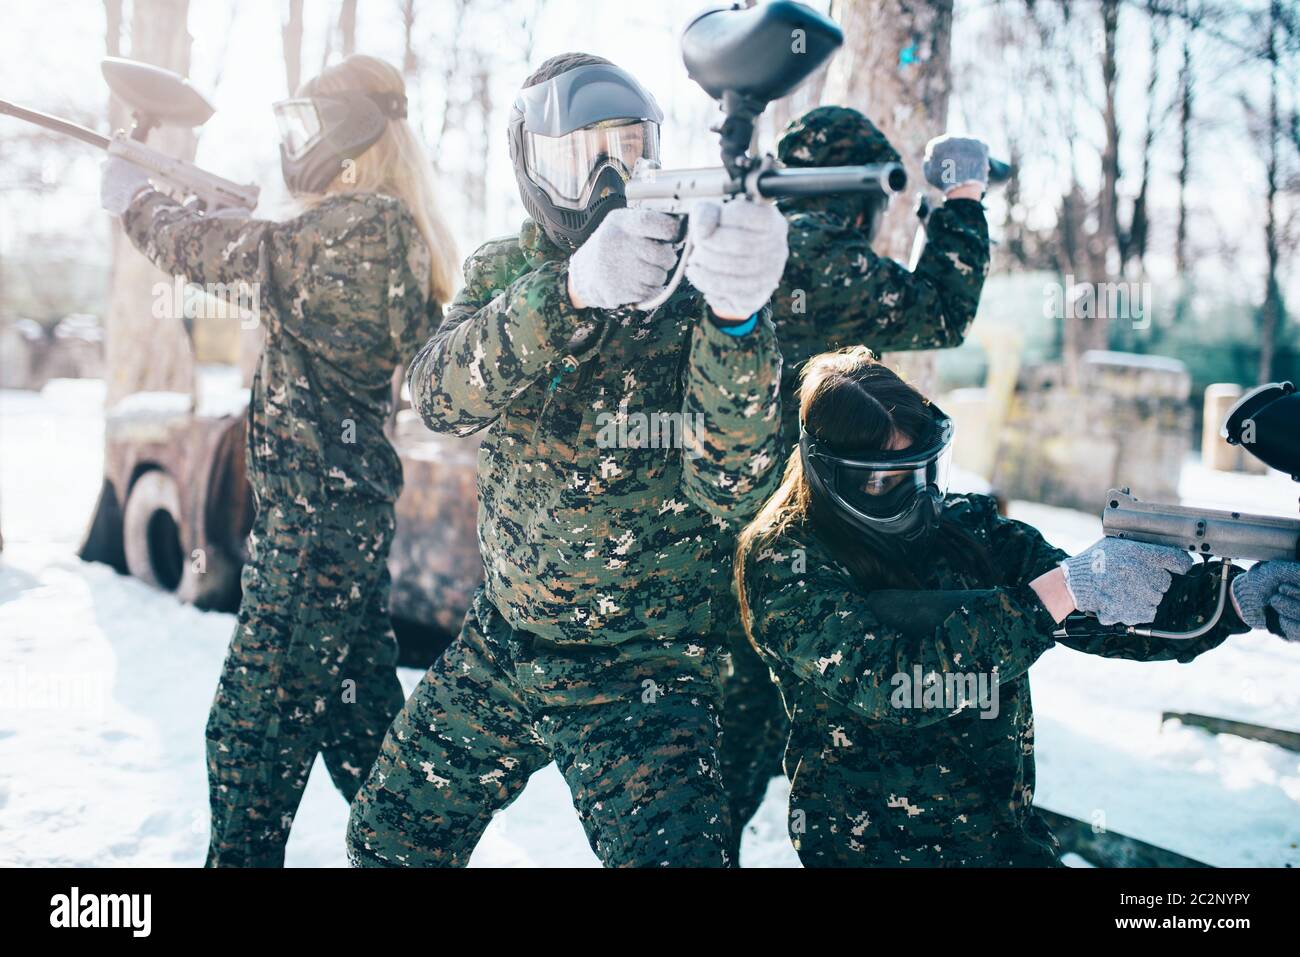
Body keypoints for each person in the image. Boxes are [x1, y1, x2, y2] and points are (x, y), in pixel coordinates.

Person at [345, 53, 788, 867]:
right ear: (532, 166)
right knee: (389, 837)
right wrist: (572, 289)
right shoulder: (506, 269)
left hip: (645, 669)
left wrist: (734, 319)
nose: (611, 177)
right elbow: (438, 397)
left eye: (629, 148)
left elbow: (735, 486)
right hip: (506, 640)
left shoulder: (699, 279)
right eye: (582, 155)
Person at [733, 347, 1300, 866]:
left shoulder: (964, 526)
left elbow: (1103, 612)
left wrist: (1237, 602)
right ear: (830, 476)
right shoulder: (787, 560)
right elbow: (894, 683)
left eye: (925, 471)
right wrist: (1051, 597)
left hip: (1001, 839)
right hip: (871, 850)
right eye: (887, 481)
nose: (918, 495)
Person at [101, 54, 459, 866]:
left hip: (312, 545)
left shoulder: (362, 231)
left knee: (246, 751)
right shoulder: (372, 227)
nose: (300, 142)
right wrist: (182, 192)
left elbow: (224, 255)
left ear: (350, 132)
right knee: (372, 755)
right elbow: (258, 247)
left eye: (311, 123)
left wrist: (141, 201)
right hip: (338, 537)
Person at [718, 106, 995, 856]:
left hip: (705, 538)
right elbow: (942, 309)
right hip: (811, 545)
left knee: (716, 761)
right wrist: (959, 204)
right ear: (866, 196)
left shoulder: (736, 247)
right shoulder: (840, 262)